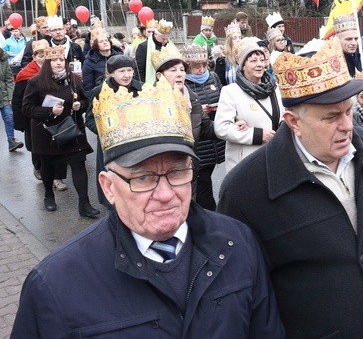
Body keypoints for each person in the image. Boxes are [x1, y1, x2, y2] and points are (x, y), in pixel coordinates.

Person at [11, 78, 284, 338]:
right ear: (108, 187)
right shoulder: (55, 285)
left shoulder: (238, 243)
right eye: (143, 178)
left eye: (177, 172)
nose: (165, 195)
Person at [217, 38, 363, 338]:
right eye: (331, 117)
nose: (347, 125)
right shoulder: (245, 191)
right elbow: (236, 297)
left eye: (347, 110)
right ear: (293, 122)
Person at [21, 44, 99, 217]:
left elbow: (86, 101)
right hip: (47, 133)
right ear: (48, 63)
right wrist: (49, 111)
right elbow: (27, 108)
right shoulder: (36, 82)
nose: (58, 63)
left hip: (72, 131)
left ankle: (84, 204)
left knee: (79, 164)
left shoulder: (74, 80)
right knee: (48, 166)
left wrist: (81, 105)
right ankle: (49, 195)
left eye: (61, 60)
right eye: (54, 60)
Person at [214, 38, 282, 172]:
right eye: (253, 61)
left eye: (262, 60)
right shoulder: (231, 91)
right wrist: (256, 135)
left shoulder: (275, 89)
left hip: (273, 159)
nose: (259, 65)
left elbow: (283, 116)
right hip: (245, 164)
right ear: (243, 65)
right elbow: (221, 128)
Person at [85, 55, 142, 212]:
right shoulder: (99, 92)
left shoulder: (141, 89)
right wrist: (108, 132)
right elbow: (90, 120)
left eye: (129, 70)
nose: (126, 75)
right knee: (115, 185)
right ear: (110, 74)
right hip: (111, 146)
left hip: (136, 145)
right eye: (121, 71)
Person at [183, 45, 225, 210]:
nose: (201, 70)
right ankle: (210, 217)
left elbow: (223, 98)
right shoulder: (183, 82)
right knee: (203, 187)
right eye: (196, 67)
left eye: (203, 66)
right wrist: (200, 112)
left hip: (215, 139)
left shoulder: (213, 77)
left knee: (209, 181)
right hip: (200, 143)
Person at [151, 43, 215, 144]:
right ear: (159, 76)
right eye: (173, 70)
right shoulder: (150, 101)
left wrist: (231, 126)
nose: (179, 74)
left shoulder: (192, 99)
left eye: (182, 70)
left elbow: (206, 129)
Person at [12, 40, 50, 181]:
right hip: (32, 116)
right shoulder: (25, 74)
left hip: (51, 113)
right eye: (40, 56)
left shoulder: (54, 69)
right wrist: (20, 122)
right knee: (36, 145)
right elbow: (17, 99)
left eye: (46, 55)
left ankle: (55, 174)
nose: (43, 58)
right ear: (34, 57)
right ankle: (38, 166)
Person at [82, 28, 123, 98]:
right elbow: (88, 87)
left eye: (106, 40)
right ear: (95, 45)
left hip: (121, 94)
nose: (105, 43)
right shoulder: (89, 62)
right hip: (101, 96)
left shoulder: (120, 57)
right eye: (101, 41)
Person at [134, 18, 175, 84]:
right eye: (162, 38)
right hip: (150, 83)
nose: (165, 41)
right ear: (156, 34)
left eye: (166, 39)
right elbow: (139, 70)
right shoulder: (143, 46)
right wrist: (141, 86)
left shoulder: (170, 45)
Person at [0, 45, 22, 151]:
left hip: (3, 94)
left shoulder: (3, 59)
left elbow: (9, 79)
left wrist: (10, 96)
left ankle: (12, 141)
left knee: (9, 117)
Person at [214, 22, 243, 86]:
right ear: (229, 41)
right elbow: (219, 83)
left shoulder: (245, 56)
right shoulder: (222, 60)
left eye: (240, 37)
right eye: (234, 38)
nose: (238, 40)